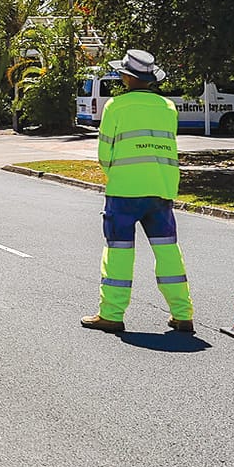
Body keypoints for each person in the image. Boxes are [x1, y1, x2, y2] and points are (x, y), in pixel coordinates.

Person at [82, 49, 195, 335]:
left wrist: (117, 175)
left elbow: (104, 153)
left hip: (124, 192)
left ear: (126, 77)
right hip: (161, 189)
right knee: (168, 251)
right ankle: (182, 314)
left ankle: (111, 314)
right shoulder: (168, 107)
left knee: (119, 253)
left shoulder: (115, 107)